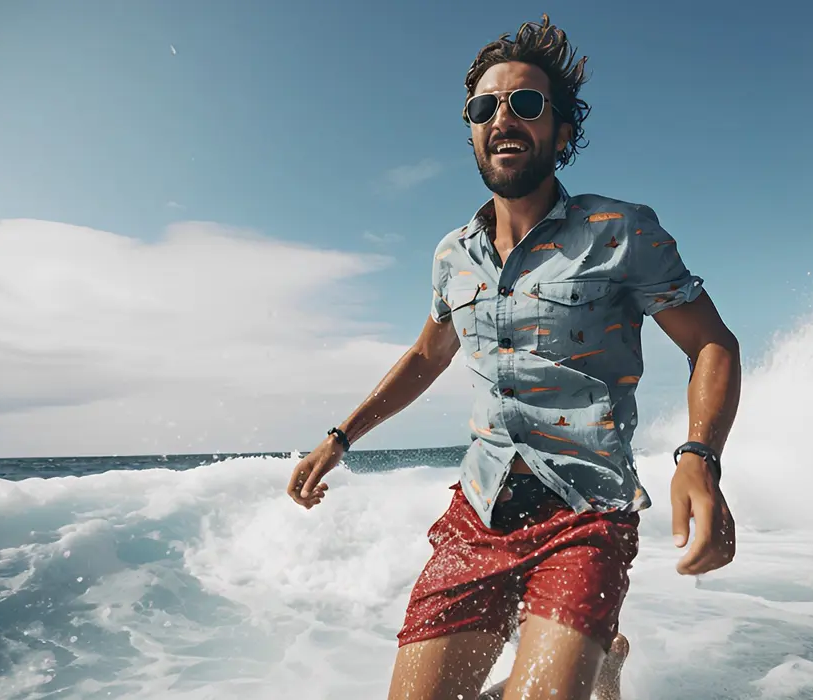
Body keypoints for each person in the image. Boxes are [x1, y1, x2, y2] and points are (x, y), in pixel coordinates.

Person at [287, 15, 741, 700]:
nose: (503, 117)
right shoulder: (452, 255)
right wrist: (340, 437)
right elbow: (425, 354)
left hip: (586, 512)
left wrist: (699, 457)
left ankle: (590, 662)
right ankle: (599, 664)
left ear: (561, 133)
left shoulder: (620, 232)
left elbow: (712, 343)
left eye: (526, 103)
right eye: (484, 106)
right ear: (472, 130)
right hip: (479, 511)